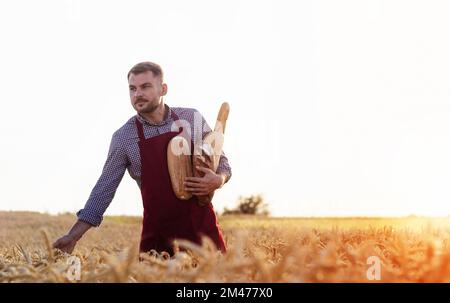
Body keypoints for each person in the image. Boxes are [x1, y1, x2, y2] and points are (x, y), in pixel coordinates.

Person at [53, 62, 231, 256]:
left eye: (145, 86)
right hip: (159, 244)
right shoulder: (124, 137)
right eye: (132, 88)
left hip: (204, 234)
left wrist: (218, 180)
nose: (137, 94)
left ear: (163, 89)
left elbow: (220, 159)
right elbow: (104, 190)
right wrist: (73, 236)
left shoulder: (192, 118)